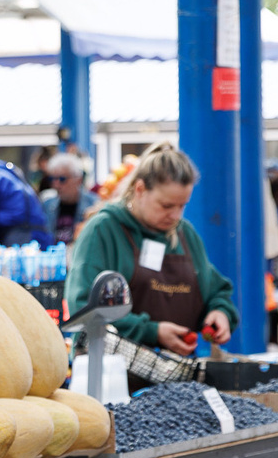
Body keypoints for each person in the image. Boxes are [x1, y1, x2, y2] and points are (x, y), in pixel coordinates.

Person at [66, 141, 239, 359]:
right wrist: (152, 332)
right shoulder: (103, 231)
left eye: (182, 206)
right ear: (140, 190)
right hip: (111, 374)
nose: (175, 215)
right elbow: (85, 309)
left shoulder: (186, 235)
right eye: (166, 206)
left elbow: (216, 291)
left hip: (175, 375)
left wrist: (220, 313)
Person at [41, 152, 98, 244]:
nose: (56, 185)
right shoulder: (47, 205)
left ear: (78, 180)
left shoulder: (94, 204)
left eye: (62, 179)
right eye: (52, 179)